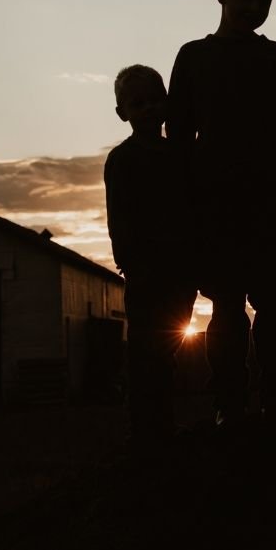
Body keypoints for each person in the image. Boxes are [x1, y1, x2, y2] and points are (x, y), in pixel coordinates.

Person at [166, 0, 276, 430]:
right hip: (216, 206)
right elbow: (180, 136)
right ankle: (229, 403)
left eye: (264, 0)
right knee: (226, 309)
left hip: (271, 206)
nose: (254, 6)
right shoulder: (193, 57)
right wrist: (187, 203)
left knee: (275, 309)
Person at [104, 64, 196, 447]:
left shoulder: (180, 153)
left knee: (168, 350)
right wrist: (129, 261)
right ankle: (145, 429)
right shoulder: (122, 159)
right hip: (145, 272)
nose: (148, 109)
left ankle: (163, 426)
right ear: (122, 112)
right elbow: (118, 216)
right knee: (145, 351)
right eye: (137, 103)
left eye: (155, 100)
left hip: (181, 269)